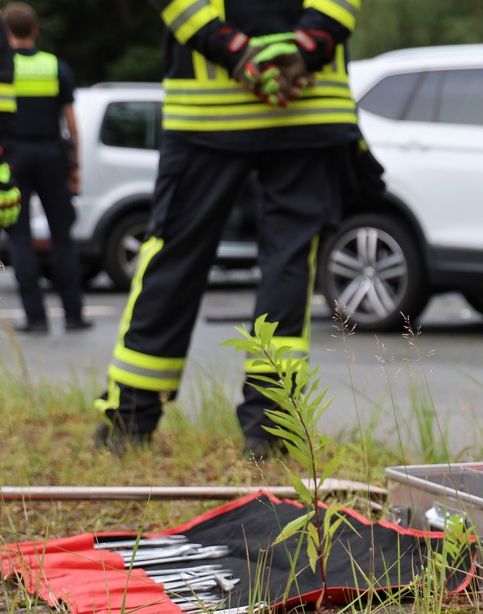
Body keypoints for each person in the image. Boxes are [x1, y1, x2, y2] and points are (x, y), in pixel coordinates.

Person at [93, 0, 361, 457]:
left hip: (208, 112)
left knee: (174, 257)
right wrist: (304, 47)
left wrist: (233, 50)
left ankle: (130, 420)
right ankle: (269, 430)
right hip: (306, 107)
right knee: (288, 267)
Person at [1, 2, 82, 333]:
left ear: (6, 33)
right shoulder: (55, 66)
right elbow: (72, 122)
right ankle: (74, 315)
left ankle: (35, 318)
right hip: (51, 155)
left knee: (19, 237)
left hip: (13, 157)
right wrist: (75, 163)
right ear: (35, 29)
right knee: (62, 235)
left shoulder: (3, 69)